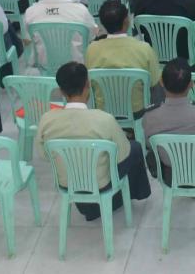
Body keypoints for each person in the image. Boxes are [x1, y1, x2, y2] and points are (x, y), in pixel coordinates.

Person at [37, 61, 151, 217]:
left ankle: (90, 207)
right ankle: (133, 195)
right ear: (88, 85)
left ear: (61, 91)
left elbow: (44, 155)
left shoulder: (46, 119)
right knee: (135, 148)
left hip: (67, 183)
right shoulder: (104, 119)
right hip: (101, 183)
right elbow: (122, 154)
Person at [21, 0, 96, 64]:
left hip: (44, 65)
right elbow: (92, 35)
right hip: (75, 66)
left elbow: (27, 40)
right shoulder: (81, 10)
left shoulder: (30, 12)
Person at [85, 0, 160, 78]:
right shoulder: (145, 49)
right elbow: (154, 80)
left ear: (102, 23)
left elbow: (89, 80)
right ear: (126, 21)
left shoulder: (91, 50)